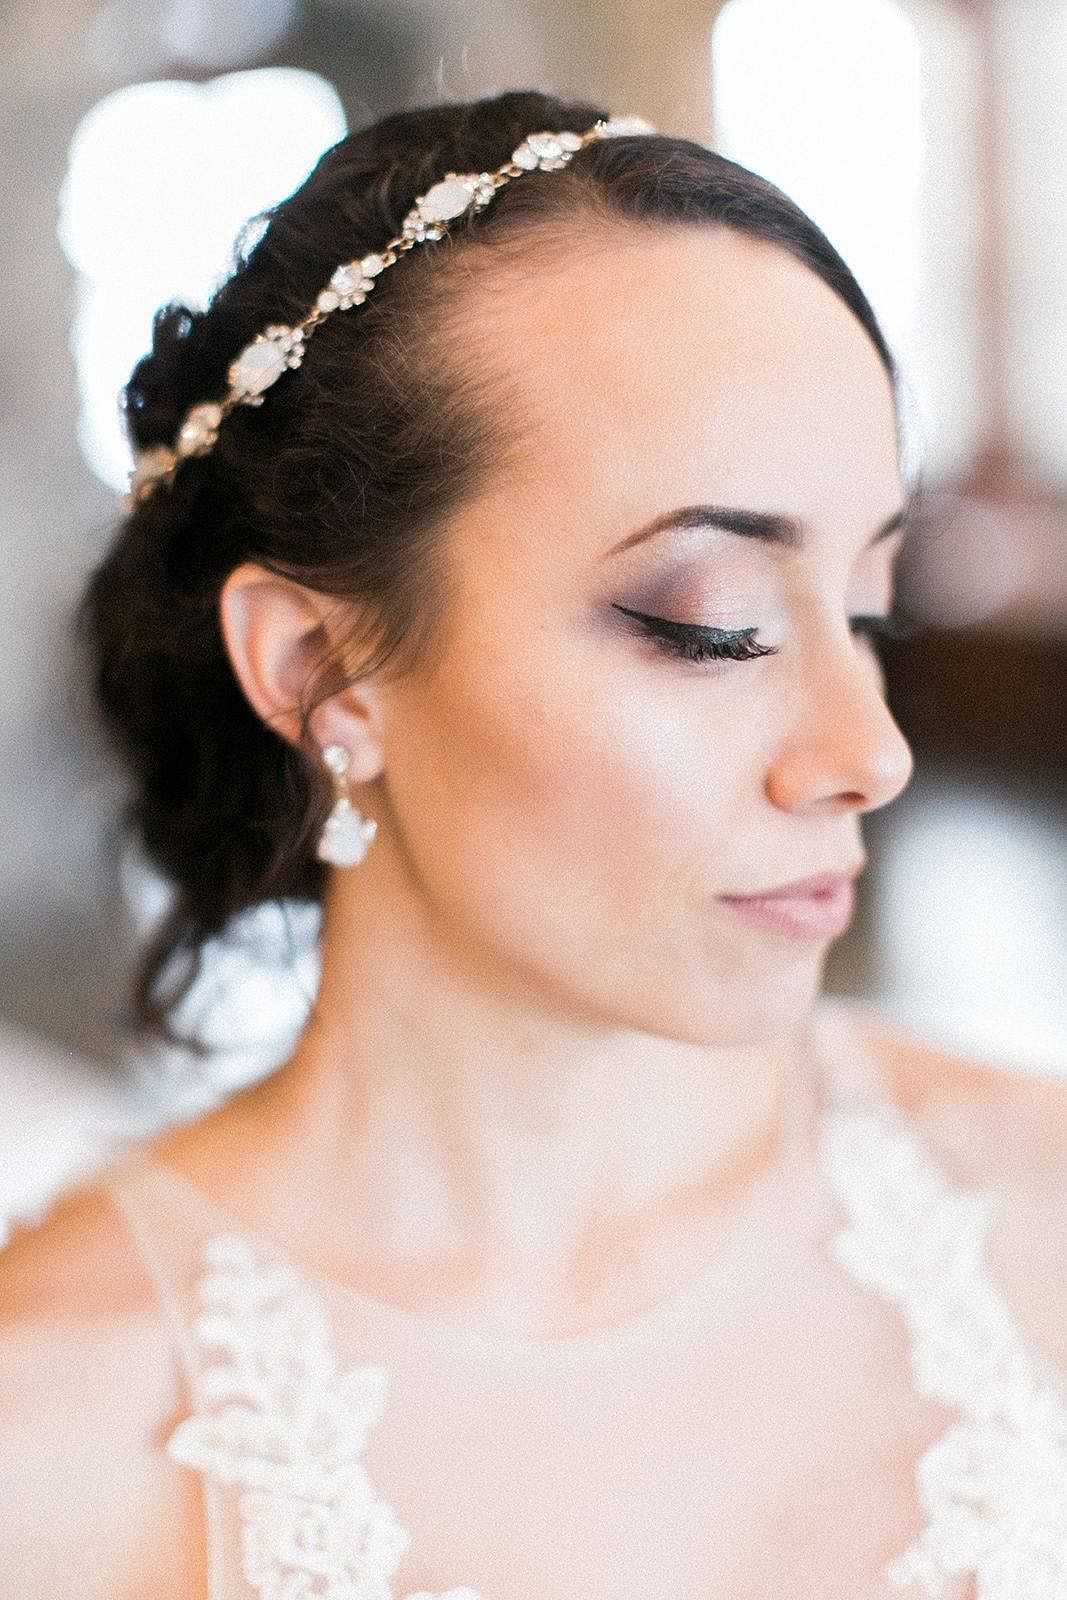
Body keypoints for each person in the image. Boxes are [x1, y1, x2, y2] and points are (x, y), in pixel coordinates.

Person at [2, 89, 1065, 1600]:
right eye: (717, 626)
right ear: (317, 669)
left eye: (870, 609)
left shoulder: (1043, 1215)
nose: (872, 752)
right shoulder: (47, 1451)